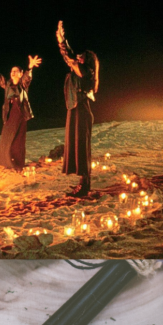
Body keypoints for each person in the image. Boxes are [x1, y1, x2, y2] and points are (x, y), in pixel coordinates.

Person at [56, 20, 99, 197]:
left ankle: (85, 185)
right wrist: (61, 40)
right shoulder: (79, 69)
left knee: (82, 149)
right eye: (79, 55)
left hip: (81, 111)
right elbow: (69, 56)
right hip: (75, 110)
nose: (78, 56)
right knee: (77, 148)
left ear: (87, 61)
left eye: (82, 56)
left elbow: (70, 58)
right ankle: (82, 183)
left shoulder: (86, 72)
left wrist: (62, 43)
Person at [0, 54, 42, 171]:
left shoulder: (23, 84)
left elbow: (28, 77)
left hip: (20, 114)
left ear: (20, 74)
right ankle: (5, 162)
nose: (13, 73)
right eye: (12, 71)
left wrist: (30, 68)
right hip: (9, 114)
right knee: (6, 138)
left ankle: (17, 163)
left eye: (16, 71)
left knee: (17, 140)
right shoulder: (7, 84)